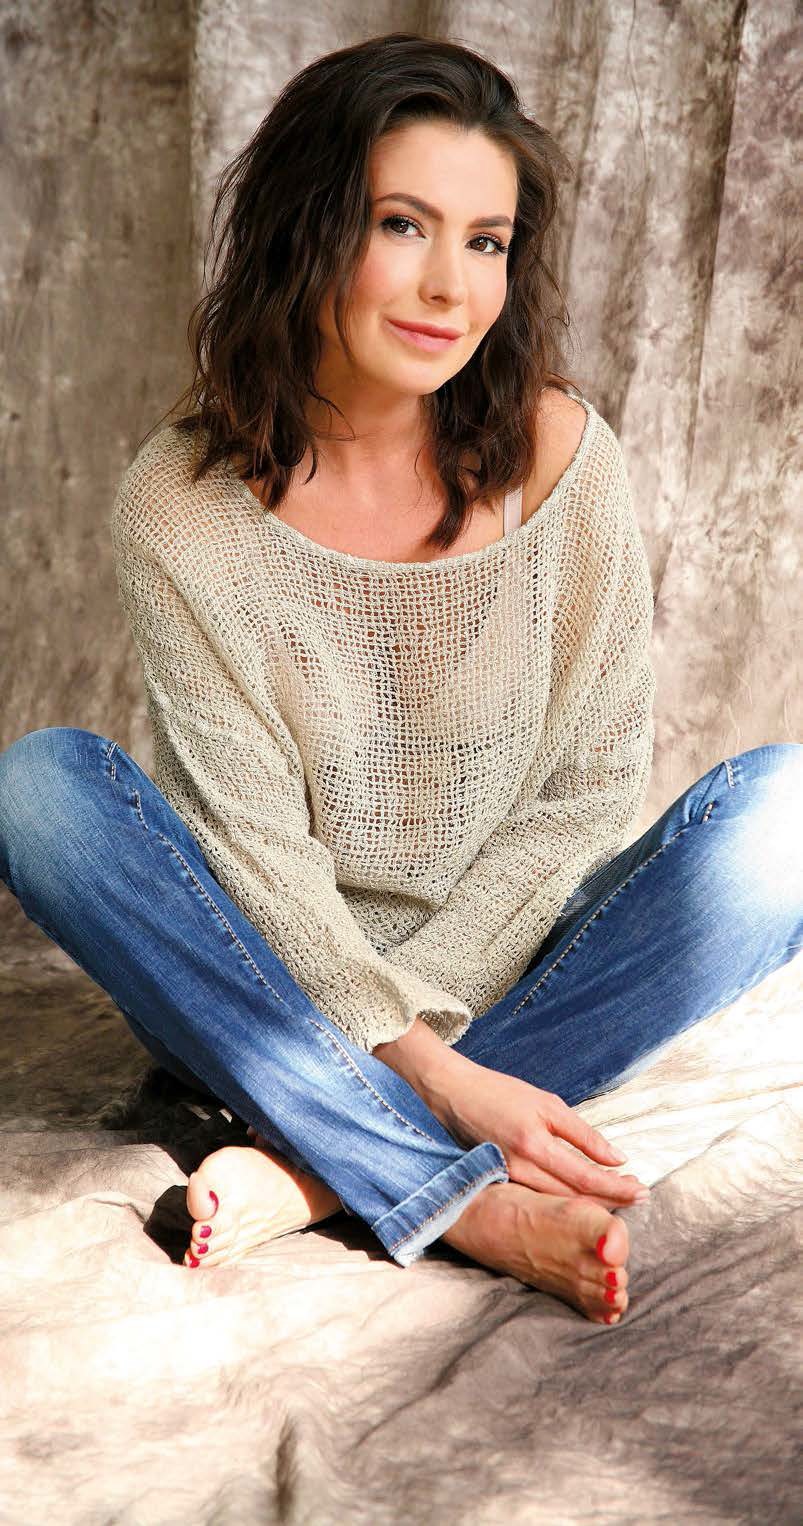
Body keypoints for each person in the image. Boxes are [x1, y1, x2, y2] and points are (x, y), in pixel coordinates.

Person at [1, 33, 800, 1328]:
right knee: (40, 791)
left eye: (486, 241)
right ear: (309, 229)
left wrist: (421, 1038)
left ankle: (314, 1166)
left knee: (788, 820)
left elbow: (584, 801)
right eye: (402, 225)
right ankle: (464, 1203)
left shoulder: (560, 462)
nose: (449, 286)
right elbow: (252, 853)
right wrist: (447, 1083)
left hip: (503, 964)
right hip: (255, 979)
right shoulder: (182, 505)